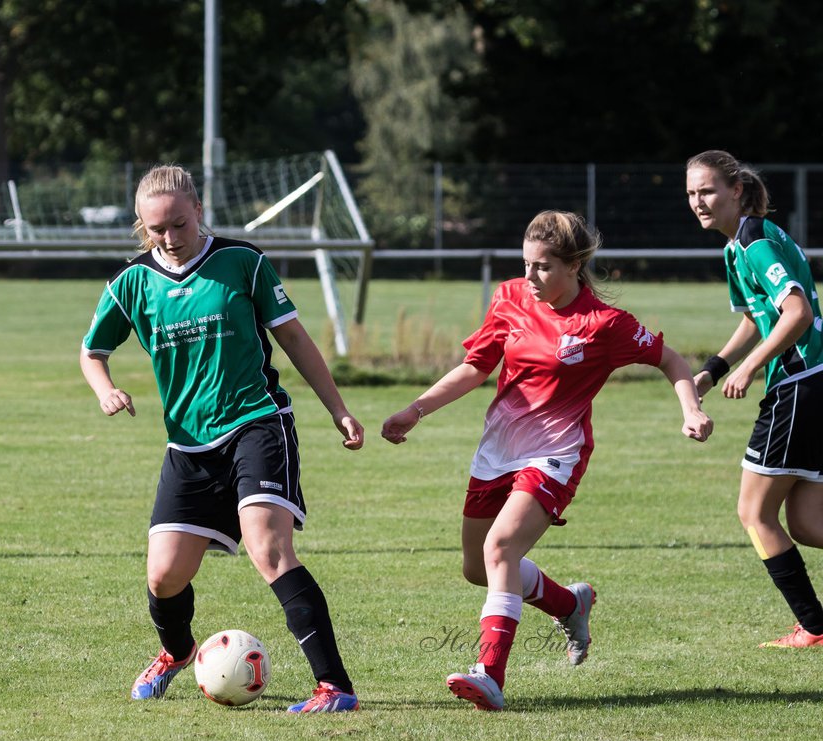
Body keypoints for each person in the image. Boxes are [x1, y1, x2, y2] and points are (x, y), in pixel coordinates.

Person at [381, 210, 713, 711]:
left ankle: (489, 674)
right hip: (498, 451)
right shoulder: (511, 297)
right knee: (479, 567)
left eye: (543, 267)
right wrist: (416, 409)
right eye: (526, 263)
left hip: (556, 454)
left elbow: (671, 360)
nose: (530, 276)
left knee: (501, 548)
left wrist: (691, 408)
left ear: (575, 265)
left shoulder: (604, 325)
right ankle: (568, 603)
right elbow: (476, 366)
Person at [79, 164, 365, 713]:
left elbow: (295, 340)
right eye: (156, 229)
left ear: (199, 212)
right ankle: (177, 652)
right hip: (188, 445)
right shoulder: (131, 283)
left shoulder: (242, 263)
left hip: (256, 423)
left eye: (179, 224)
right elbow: (93, 353)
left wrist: (339, 409)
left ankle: (335, 687)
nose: (170, 238)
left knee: (270, 549)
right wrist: (105, 390)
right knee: (163, 577)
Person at [685, 150, 823, 649]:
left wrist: (750, 367)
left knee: (755, 514)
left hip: (799, 383)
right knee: (807, 523)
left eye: (708, 191)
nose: (699, 202)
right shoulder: (737, 246)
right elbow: (753, 318)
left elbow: (797, 312)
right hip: (812, 382)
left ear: (735, 190)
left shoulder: (754, 241)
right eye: (692, 194)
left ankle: (813, 626)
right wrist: (712, 370)